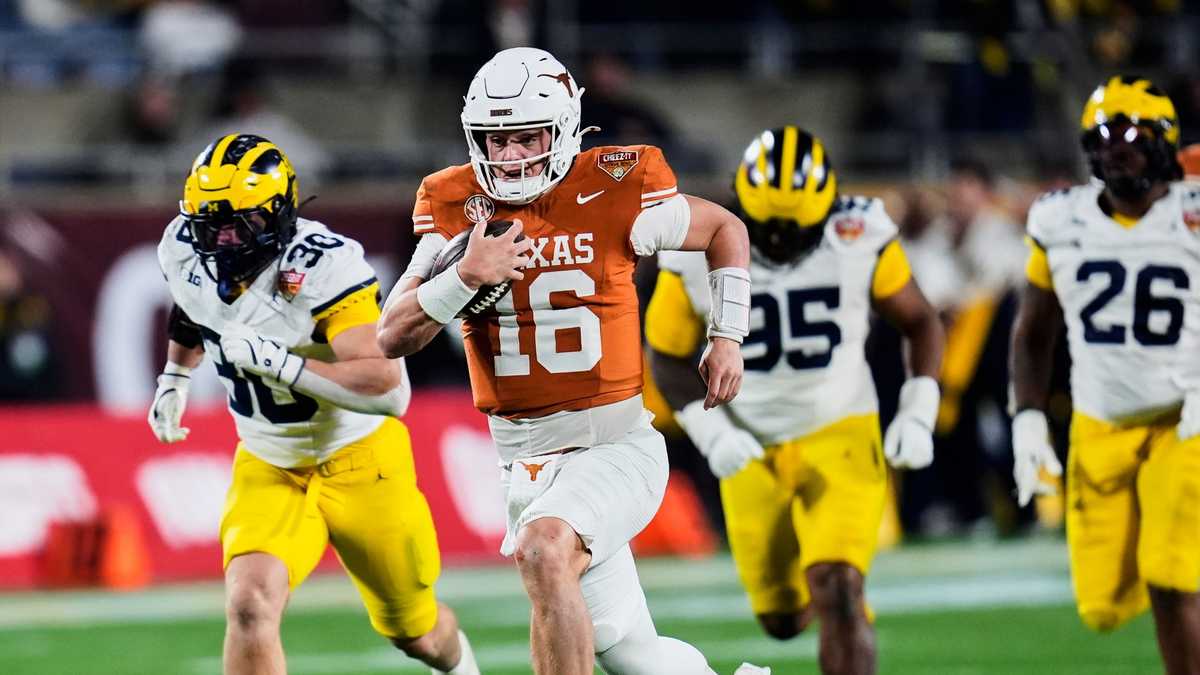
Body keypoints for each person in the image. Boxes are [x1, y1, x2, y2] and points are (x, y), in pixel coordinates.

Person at [377, 47, 765, 675]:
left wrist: (727, 334)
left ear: (562, 128)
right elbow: (391, 336)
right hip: (520, 460)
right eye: (494, 141)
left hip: (615, 445)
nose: (509, 157)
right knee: (630, 653)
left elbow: (726, 229)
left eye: (525, 137)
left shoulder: (614, 185)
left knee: (544, 550)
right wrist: (463, 277)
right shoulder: (455, 207)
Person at [147, 133, 478, 675]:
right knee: (250, 606)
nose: (223, 239)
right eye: (211, 223)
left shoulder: (324, 267)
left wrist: (283, 365)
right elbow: (192, 308)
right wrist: (175, 376)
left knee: (416, 632)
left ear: (278, 214)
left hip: (360, 459)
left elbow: (388, 388)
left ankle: (465, 667)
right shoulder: (184, 248)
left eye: (239, 222)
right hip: (270, 462)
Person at [645, 126, 944, 675]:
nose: (779, 242)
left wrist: (919, 407)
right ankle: (837, 607)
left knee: (837, 583)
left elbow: (921, 320)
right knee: (780, 620)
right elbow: (663, 352)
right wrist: (713, 434)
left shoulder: (859, 233)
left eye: (793, 229)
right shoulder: (696, 250)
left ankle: (844, 606)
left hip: (841, 430)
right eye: (768, 228)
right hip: (749, 441)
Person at [1011, 76, 1200, 674]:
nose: (1116, 149)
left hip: (1185, 418)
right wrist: (1029, 423)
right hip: (1101, 423)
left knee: (1175, 576)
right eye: (1104, 137)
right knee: (1103, 605)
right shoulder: (1059, 218)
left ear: (1165, 143)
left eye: (1132, 137)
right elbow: (1033, 330)